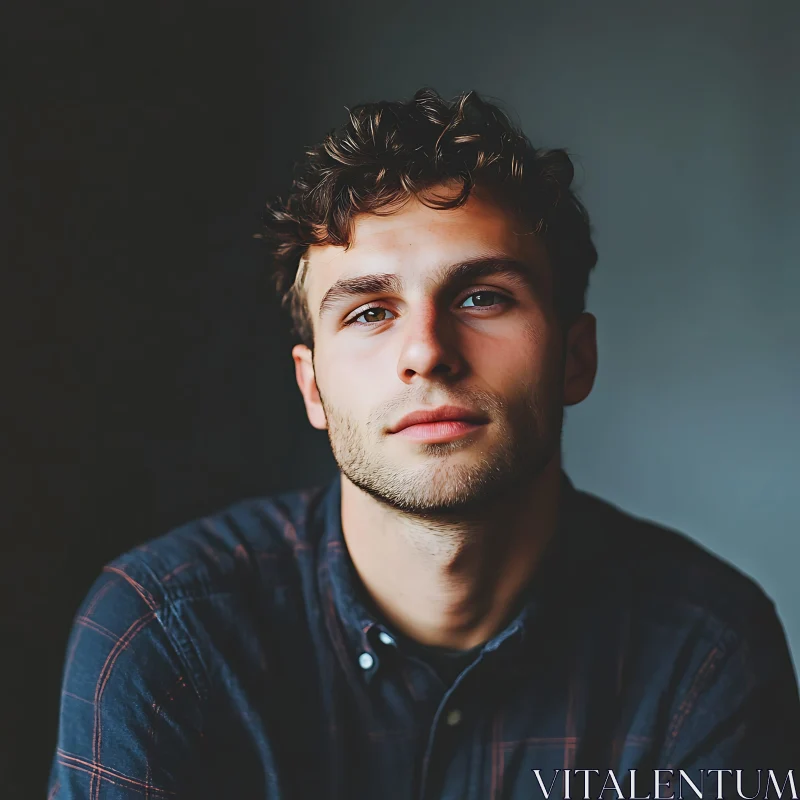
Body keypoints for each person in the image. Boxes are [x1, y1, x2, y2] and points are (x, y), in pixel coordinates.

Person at [49, 88, 799, 799]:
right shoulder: (166, 633)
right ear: (312, 387)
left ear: (575, 357)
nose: (427, 352)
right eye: (370, 312)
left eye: (482, 297)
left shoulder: (705, 651)